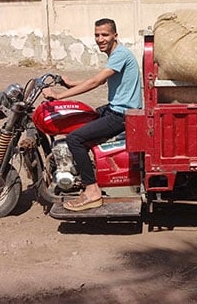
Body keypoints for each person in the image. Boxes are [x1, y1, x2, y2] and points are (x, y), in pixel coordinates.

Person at [43, 18, 142, 211]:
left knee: (75, 139)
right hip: (115, 109)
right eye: (97, 35)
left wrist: (58, 96)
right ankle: (84, 169)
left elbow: (95, 82)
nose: (100, 39)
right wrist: (70, 83)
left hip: (121, 115)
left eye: (104, 34)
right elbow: (100, 79)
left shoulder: (120, 54)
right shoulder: (116, 55)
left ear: (115, 36)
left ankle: (91, 190)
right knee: (82, 116)